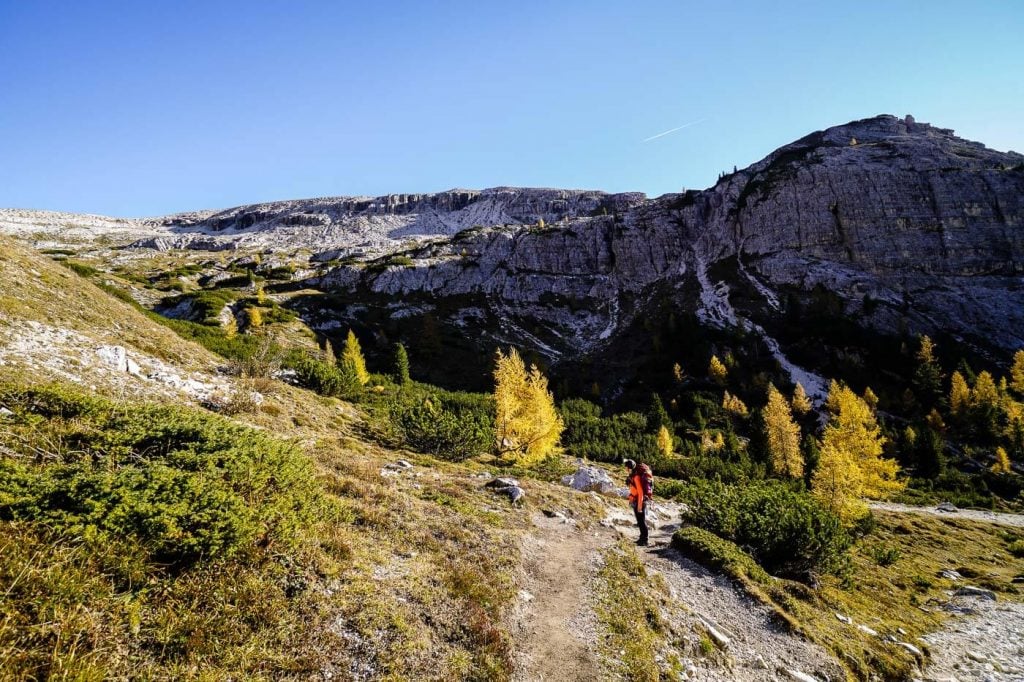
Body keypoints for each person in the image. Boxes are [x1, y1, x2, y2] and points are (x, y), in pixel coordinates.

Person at [624, 458, 649, 546]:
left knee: (641, 521)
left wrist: (639, 506)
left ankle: (645, 540)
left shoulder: (636, 477)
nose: (625, 468)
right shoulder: (632, 475)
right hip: (636, 500)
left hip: (640, 501)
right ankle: (641, 538)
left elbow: (641, 492)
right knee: (639, 521)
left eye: (626, 466)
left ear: (630, 467)